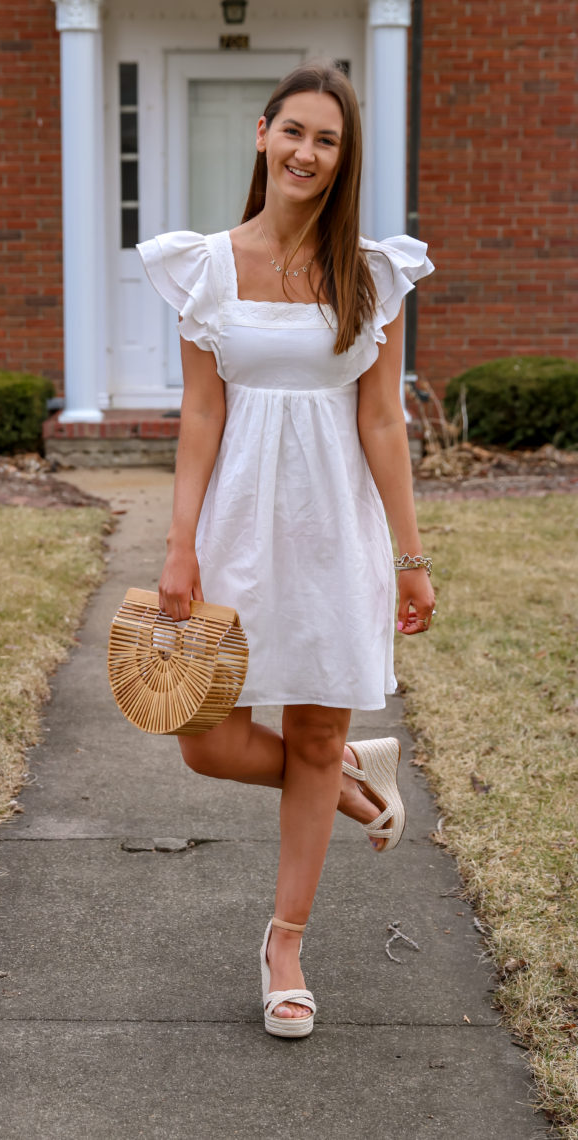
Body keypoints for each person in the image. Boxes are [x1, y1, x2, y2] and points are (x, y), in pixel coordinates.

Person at [136, 61, 435, 1038]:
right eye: (294, 131)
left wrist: (409, 556)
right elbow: (199, 418)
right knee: (203, 738)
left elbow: (383, 424)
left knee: (309, 729)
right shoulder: (206, 267)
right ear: (261, 134)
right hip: (235, 527)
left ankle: (285, 944)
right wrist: (177, 548)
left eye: (329, 140)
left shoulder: (369, 273)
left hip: (334, 530)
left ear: (342, 160)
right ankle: (348, 781)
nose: (307, 152)